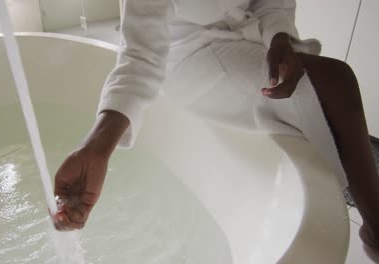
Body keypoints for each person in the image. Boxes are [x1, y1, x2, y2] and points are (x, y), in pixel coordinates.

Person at [52, 0, 379, 251]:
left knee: (329, 89)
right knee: (335, 82)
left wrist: (280, 35)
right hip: (185, 54)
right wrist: (96, 148)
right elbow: (141, 58)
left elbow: (270, 3)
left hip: (252, 36)